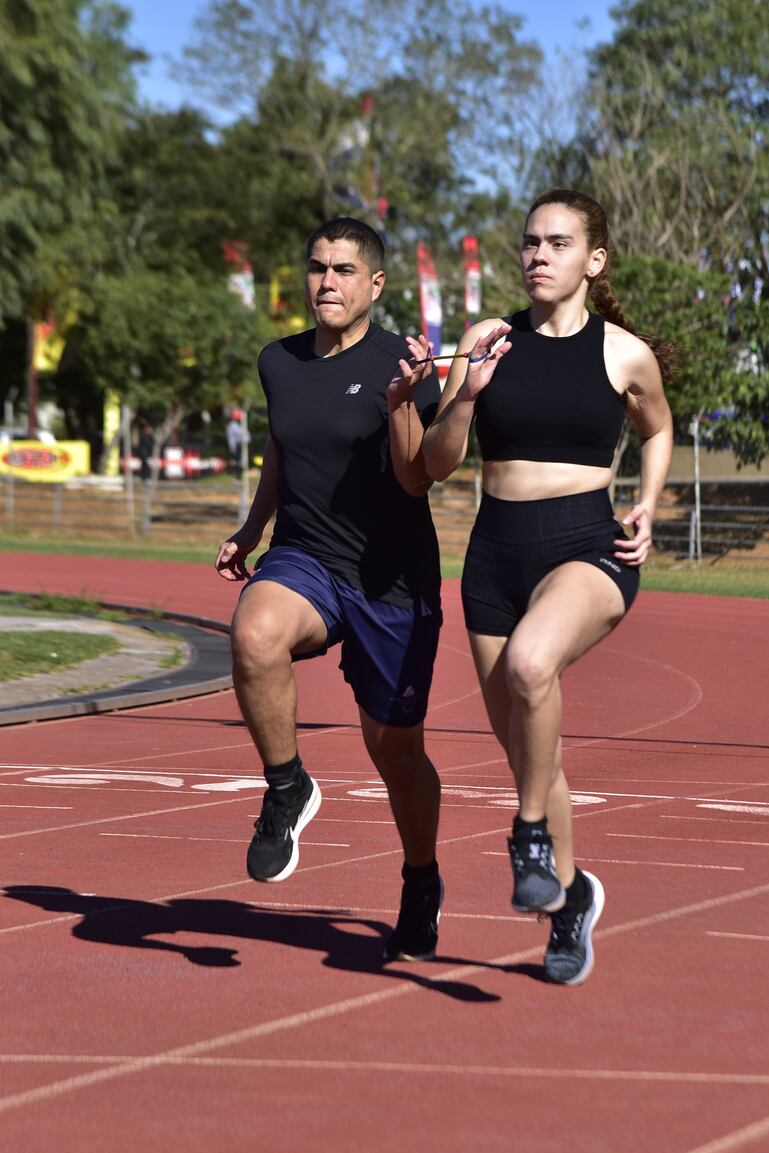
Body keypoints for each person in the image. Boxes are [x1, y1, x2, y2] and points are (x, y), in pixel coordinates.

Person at [420, 188, 674, 985]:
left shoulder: (623, 353)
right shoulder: (486, 340)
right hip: (494, 555)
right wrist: (465, 390)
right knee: (533, 749)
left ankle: (528, 835)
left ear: (592, 260)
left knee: (533, 666)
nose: (538, 255)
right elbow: (435, 462)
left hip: (587, 548)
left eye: (558, 243)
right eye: (530, 242)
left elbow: (659, 427)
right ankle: (570, 900)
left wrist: (648, 503)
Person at [215, 217, 444, 962]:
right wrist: (253, 528)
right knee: (253, 633)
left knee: (395, 753)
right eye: (318, 267)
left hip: (392, 581)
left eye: (344, 270)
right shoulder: (277, 361)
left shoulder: (405, 363)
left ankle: (420, 877)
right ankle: (287, 786)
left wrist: (405, 402)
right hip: (305, 558)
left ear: (375, 284)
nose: (326, 283)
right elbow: (282, 445)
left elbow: (417, 479)